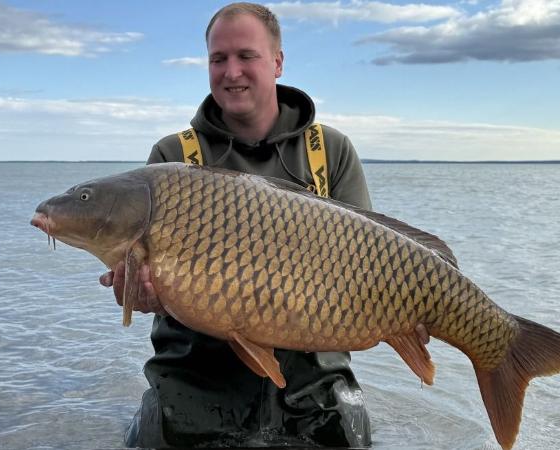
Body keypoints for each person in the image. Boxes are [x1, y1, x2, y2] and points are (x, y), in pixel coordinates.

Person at [101, 3, 376, 447]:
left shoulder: (329, 150)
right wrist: (147, 296)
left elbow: (370, 265)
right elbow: (150, 282)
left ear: (278, 62)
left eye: (246, 56)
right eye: (218, 59)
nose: (231, 72)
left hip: (316, 382)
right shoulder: (173, 157)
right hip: (196, 382)